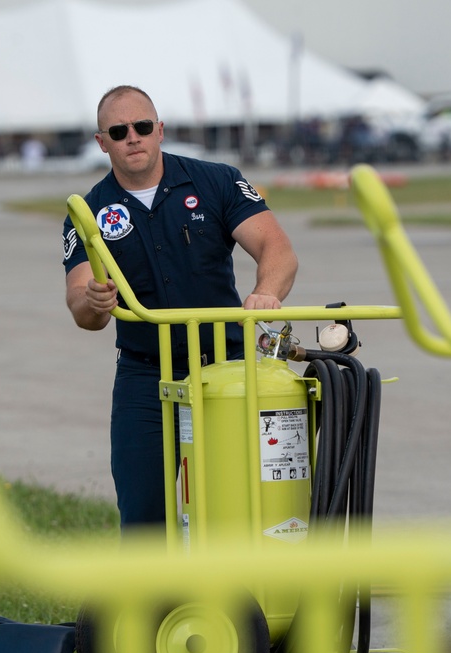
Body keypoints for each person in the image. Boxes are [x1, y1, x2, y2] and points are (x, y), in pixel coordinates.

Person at [61, 85, 298, 531]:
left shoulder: (218, 181)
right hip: (145, 378)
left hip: (228, 370)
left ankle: (238, 598)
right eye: (119, 130)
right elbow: (80, 302)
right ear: (102, 142)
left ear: (160, 130)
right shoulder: (88, 211)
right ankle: (152, 600)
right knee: (144, 513)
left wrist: (266, 292)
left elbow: (278, 249)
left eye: (143, 126)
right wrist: (91, 300)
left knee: (239, 505)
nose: (133, 137)